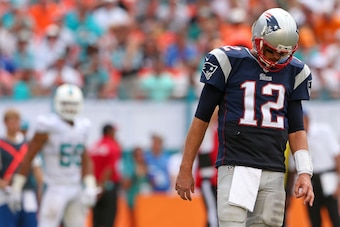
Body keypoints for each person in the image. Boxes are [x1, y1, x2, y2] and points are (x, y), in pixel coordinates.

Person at [175, 8, 314, 227]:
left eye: (283, 53)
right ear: (258, 40)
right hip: (236, 166)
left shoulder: (295, 72)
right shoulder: (229, 62)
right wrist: (186, 167)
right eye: (271, 51)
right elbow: (201, 119)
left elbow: (296, 129)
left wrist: (305, 172)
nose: (277, 57)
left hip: (274, 168)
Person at [8, 84, 97, 227]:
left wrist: (90, 185)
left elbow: (85, 159)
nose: (70, 107)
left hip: (76, 186)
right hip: (55, 187)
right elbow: (28, 157)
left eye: (73, 104)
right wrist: (17, 187)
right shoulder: (47, 126)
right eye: (66, 103)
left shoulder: (83, 126)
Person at [300, 111, 339, 227]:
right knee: (314, 218)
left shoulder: (324, 131)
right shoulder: (298, 137)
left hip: (328, 177)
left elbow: (337, 156)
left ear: (307, 119)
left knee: (335, 216)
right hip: (311, 180)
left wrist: (339, 183)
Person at [89, 123, 122, 227]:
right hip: (108, 186)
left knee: (97, 219)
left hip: (94, 186)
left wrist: (95, 187)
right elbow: (109, 169)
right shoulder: (113, 146)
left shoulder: (94, 146)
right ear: (110, 132)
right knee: (108, 220)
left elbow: (90, 166)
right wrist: (101, 187)